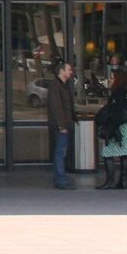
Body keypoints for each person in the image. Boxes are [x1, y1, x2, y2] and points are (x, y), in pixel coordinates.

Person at [96, 73, 127, 189]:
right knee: (124, 154)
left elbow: (116, 111)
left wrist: (109, 124)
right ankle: (123, 182)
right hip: (126, 126)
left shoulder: (118, 93)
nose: (110, 80)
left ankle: (110, 182)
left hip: (117, 127)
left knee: (107, 153)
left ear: (118, 80)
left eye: (112, 78)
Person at [46, 60, 76, 190]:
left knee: (61, 152)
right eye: (69, 70)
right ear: (61, 71)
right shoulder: (55, 87)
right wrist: (61, 125)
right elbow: (56, 107)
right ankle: (61, 180)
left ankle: (60, 178)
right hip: (61, 126)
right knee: (60, 152)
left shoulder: (63, 85)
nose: (71, 72)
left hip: (65, 124)